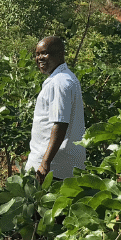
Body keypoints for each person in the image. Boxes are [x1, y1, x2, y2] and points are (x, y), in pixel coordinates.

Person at [26, 35, 86, 182]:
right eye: (37, 54)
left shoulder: (59, 82)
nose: (40, 58)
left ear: (60, 54)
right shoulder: (65, 78)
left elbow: (60, 123)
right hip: (60, 164)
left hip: (53, 168)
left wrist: (45, 163)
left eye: (44, 53)